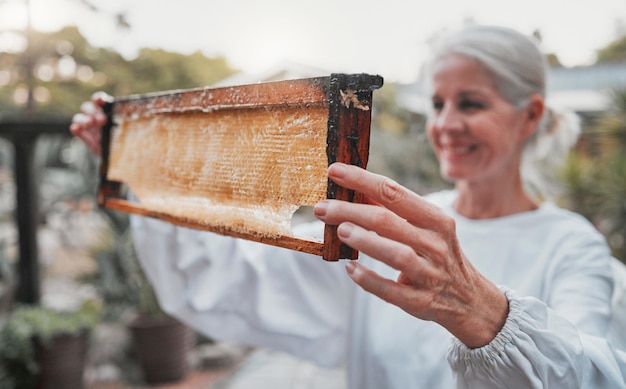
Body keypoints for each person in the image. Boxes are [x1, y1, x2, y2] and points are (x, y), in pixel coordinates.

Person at [71, 25, 626, 388]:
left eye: (471, 103)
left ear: (530, 115)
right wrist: (137, 163)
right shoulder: (389, 228)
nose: (445, 124)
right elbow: (233, 285)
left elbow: (596, 376)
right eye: (437, 103)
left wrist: (484, 312)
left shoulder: (570, 244)